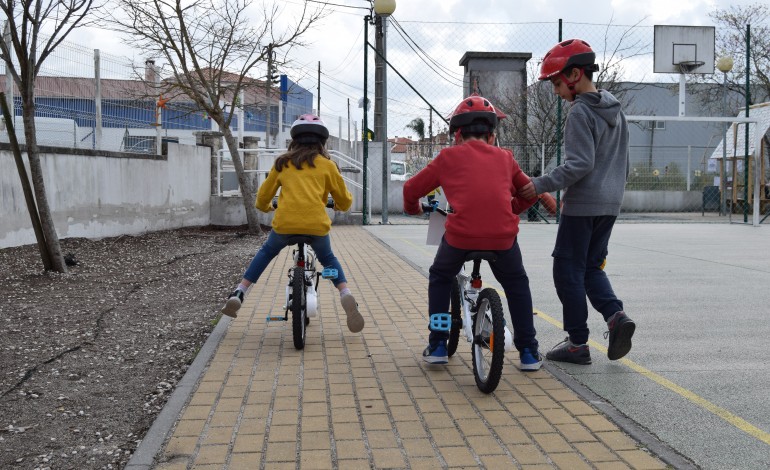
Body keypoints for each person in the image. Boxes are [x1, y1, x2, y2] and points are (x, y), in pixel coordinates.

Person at [403, 94, 543, 370]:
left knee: (441, 275)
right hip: (503, 238)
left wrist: (414, 210)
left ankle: (439, 343)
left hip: (461, 237)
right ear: (492, 137)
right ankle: (528, 351)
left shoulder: (447, 158)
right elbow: (531, 191)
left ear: (457, 135)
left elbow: (410, 190)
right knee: (516, 284)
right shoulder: (506, 158)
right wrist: (512, 208)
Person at [518, 38, 635, 364]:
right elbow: (625, 162)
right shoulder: (616, 110)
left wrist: (538, 185)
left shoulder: (580, 112)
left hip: (583, 204)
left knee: (566, 270)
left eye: (556, 82)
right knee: (590, 267)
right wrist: (613, 194)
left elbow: (579, 164)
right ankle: (615, 317)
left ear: (574, 75)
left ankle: (577, 343)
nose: (555, 90)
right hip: (611, 203)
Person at [220, 114, 365, 333]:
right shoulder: (328, 166)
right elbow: (345, 201)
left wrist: (269, 207)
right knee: (328, 258)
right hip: (316, 226)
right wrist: (336, 206)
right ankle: (346, 294)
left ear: (294, 140)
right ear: (322, 142)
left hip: (285, 226)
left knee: (267, 251)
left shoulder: (282, 164)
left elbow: (261, 199)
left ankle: (240, 291)